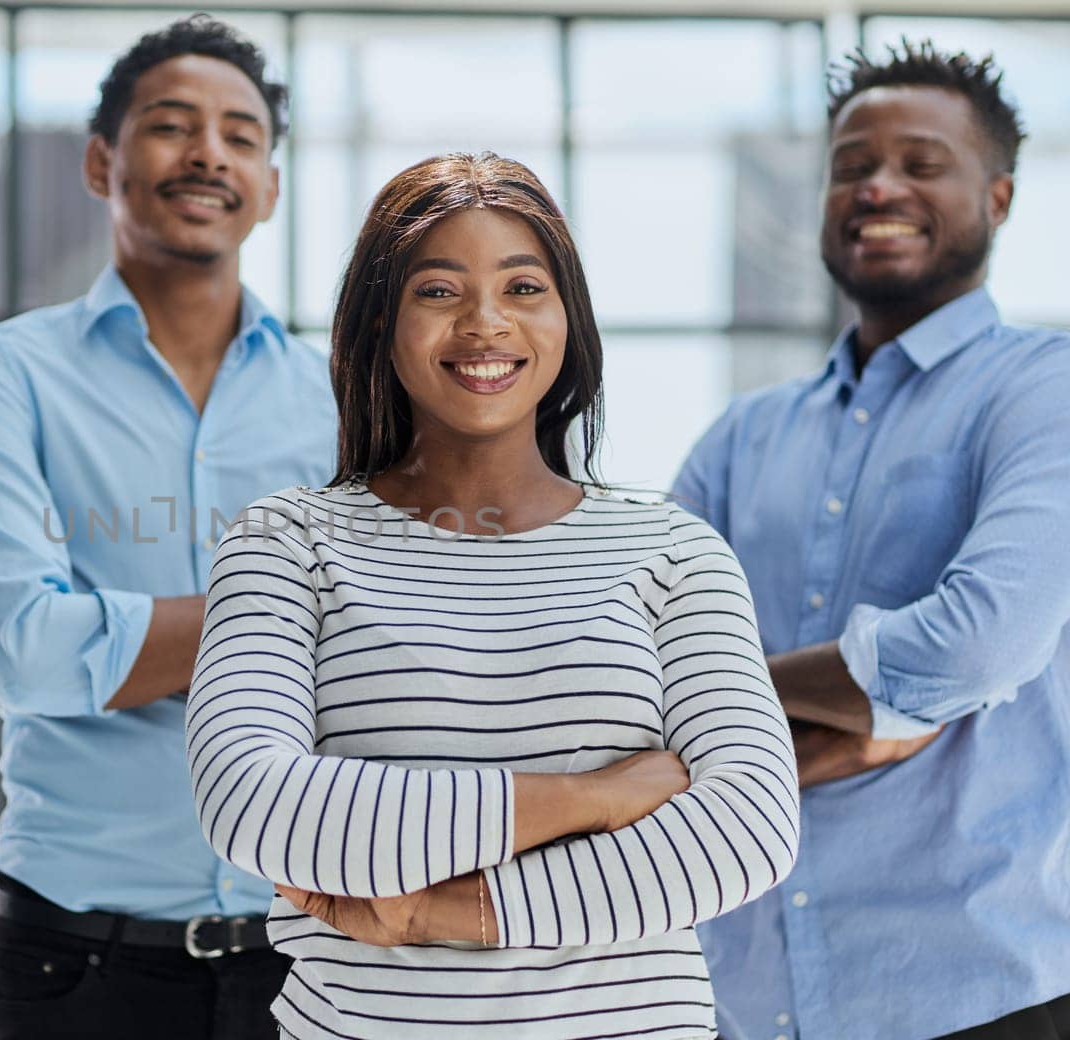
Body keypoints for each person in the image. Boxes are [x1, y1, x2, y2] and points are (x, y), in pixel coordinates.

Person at [186, 152, 800, 1040]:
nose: (485, 323)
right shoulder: (286, 542)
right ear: (381, 326)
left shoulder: (673, 551)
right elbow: (255, 805)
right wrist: (596, 798)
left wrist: (438, 913)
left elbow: (747, 831)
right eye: (438, 291)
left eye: (523, 287)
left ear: (567, 320)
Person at [0, 15, 335, 1039]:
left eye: (241, 135)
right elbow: (26, 651)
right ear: (102, 160)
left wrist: (131, 637)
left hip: (311, 954)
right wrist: (297, 619)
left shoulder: (344, 398)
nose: (208, 151)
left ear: (271, 187)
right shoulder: (0, 377)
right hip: (69, 960)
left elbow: (394, 654)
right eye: (171, 124)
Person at [674, 41, 1070, 1040]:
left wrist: (730, 692)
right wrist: (835, 714)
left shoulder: (1045, 392)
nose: (878, 185)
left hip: (979, 992)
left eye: (921, 162)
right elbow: (628, 670)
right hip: (739, 994)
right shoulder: (738, 437)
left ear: (1000, 195)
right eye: (851, 164)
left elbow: (974, 646)